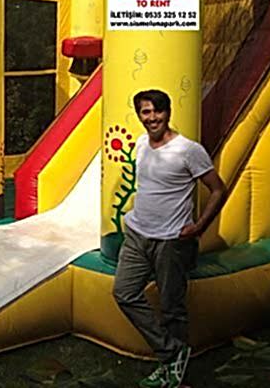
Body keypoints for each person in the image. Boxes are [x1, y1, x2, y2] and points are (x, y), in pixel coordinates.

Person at [112, 89, 227, 388]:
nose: (152, 118)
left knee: (171, 308)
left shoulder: (188, 150)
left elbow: (218, 189)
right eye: (146, 112)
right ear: (139, 115)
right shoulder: (141, 144)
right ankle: (173, 352)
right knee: (124, 292)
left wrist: (199, 226)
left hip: (171, 241)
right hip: (137, 235)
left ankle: (173, 372)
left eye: (158, 111)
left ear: (168, 112)